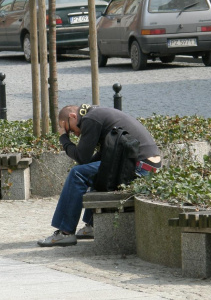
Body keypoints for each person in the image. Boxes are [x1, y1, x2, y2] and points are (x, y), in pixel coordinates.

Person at [37, 104, 161, 247]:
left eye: (70, 130)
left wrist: (64, 138)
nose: (75, 134)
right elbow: (99, 159)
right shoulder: (95, 114)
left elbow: (81, 157)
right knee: (88, 171)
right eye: (70, 133)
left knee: (77, 173)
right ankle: (92, 226)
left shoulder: (90, 119)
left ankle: (65, 233)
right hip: (146, 165)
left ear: (73, 117)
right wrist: (84, 166)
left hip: (139, 165)